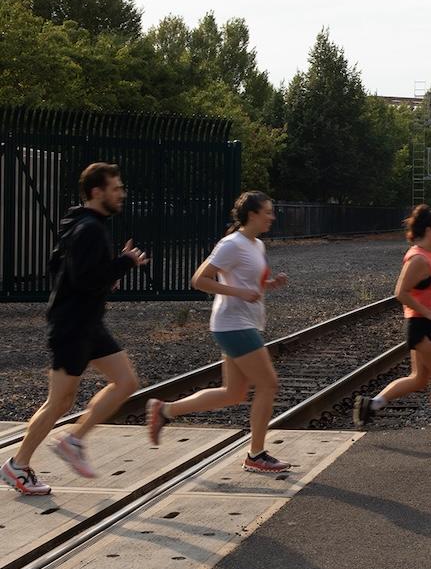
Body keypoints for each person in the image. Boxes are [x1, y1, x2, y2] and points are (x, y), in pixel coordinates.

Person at [1, 163, 148, 496]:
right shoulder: (90, 230)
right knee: (59, 402)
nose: (121, 193)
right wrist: (124, 263)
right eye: (116, 188)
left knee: (126, 382)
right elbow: (83, 277)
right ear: (97, 192)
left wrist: (104, 278)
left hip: (87, 322)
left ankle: (74, 439)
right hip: (73, 325)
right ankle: (18, 465)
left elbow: (60, 266)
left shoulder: (79, 222)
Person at [145, 192, 291, 472]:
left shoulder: (257, 245)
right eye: (268, 212)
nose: (272, 217)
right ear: (252, 214)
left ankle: (165, 410)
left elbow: (250, 283)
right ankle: (256, 455)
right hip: (233, 324)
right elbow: (200, 280)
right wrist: (239, 292)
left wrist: (270, 284)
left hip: (242, 322)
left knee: (233, 393)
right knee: (268, 384)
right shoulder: (231, 244)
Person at [353, 205, 431, 445]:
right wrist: (428, 311)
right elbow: (401, 292)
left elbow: (425, 286)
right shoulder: (418, 258)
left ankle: (372, 405)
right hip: (423, 325)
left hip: (425, 323)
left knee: (419, 379)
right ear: (429, 230)